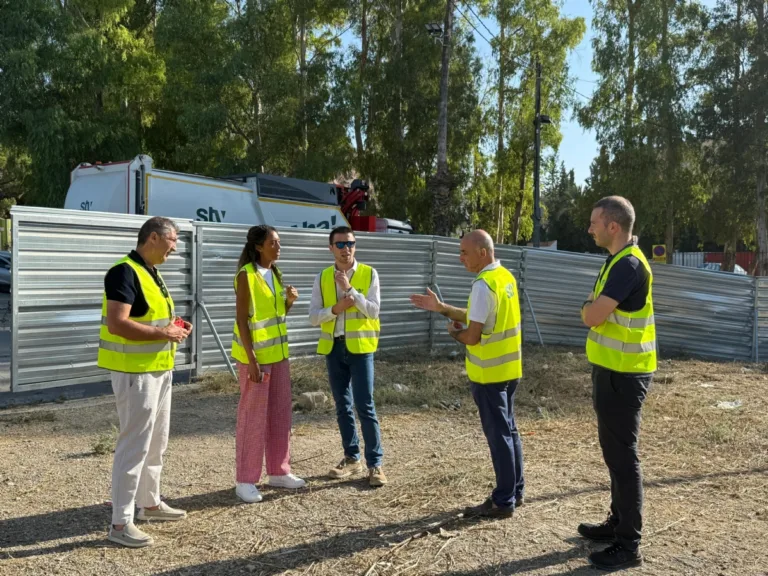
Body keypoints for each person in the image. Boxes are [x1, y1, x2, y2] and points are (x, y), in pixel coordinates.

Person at [411, 230, 524, 518]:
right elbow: (479, 316)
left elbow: (473, 335)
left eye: (464, 252)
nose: (460, 257)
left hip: (489, 375)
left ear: (482, 252)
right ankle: (514, 491)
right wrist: (443, 308)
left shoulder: (483, 285)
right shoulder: (505, 278)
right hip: (510, 370)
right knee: (509, 432)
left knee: (499, 437)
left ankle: (503, 500)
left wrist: (454, 335)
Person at [99, 216, 192, 548]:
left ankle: (149, 503)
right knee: (134, 445)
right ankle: (120, 524)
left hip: (157, 369)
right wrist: (163, 332)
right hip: (135, 372)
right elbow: (117, 323)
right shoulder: (123, 271)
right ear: (153, 237)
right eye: (173, 240)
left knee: (157, 442)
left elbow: (152, 319)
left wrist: (175, 328)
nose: (175, 247)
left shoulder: (152, 272)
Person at [579, 196, 656, 570]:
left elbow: (592, 315)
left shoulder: (627, 265)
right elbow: (596, 312)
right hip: (613, 370)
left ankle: (629, 545)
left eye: (594, 222)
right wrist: (591, 310)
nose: (589, 228)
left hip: (624, 375)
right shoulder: (615, 262)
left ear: (613, 226)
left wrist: (587, 310)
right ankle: (617, 523)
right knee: (615, 455)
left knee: (623, 459)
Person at [308, 226, 386, 487]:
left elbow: (373, 311)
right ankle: (352, 459)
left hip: (361, 349)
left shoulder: (369, 273)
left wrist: (350, 290)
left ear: (355, 246)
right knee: (342, 406)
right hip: (334, 347)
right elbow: (313, 317)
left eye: (350, 243)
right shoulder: (321, 277)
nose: (345, 249)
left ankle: (375, 465)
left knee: (365, 405)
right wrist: (335, 308)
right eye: (340, 244)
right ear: (331, 248)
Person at [232, 225, 305, 503]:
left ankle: (279, 471)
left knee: (279, 415)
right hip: (257, 360)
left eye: (279, 242)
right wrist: (251, 362)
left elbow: (275, 316)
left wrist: (289, 302)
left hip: (279, 355)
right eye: (273, 242)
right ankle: (245, 480)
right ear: (259, 246)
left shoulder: (274, 273)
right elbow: (242, 320)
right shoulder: (245, 276)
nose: (278, 246)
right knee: (252, 419)